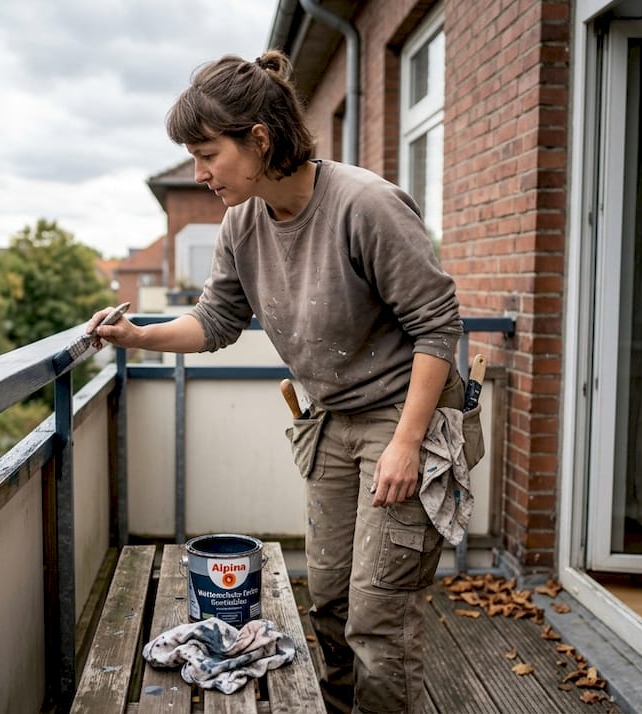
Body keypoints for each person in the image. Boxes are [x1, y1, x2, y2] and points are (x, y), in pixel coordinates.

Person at [88, 50, 464, 714]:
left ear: (259, 140)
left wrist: (407, 445)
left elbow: (438, 327)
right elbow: (215, 320)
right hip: (331, 424)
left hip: (404, 418)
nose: (200, 174)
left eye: (208, 155)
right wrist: (139, 336)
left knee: (378, 612)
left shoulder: (365, 206)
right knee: (330, 596)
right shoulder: (242, 223)